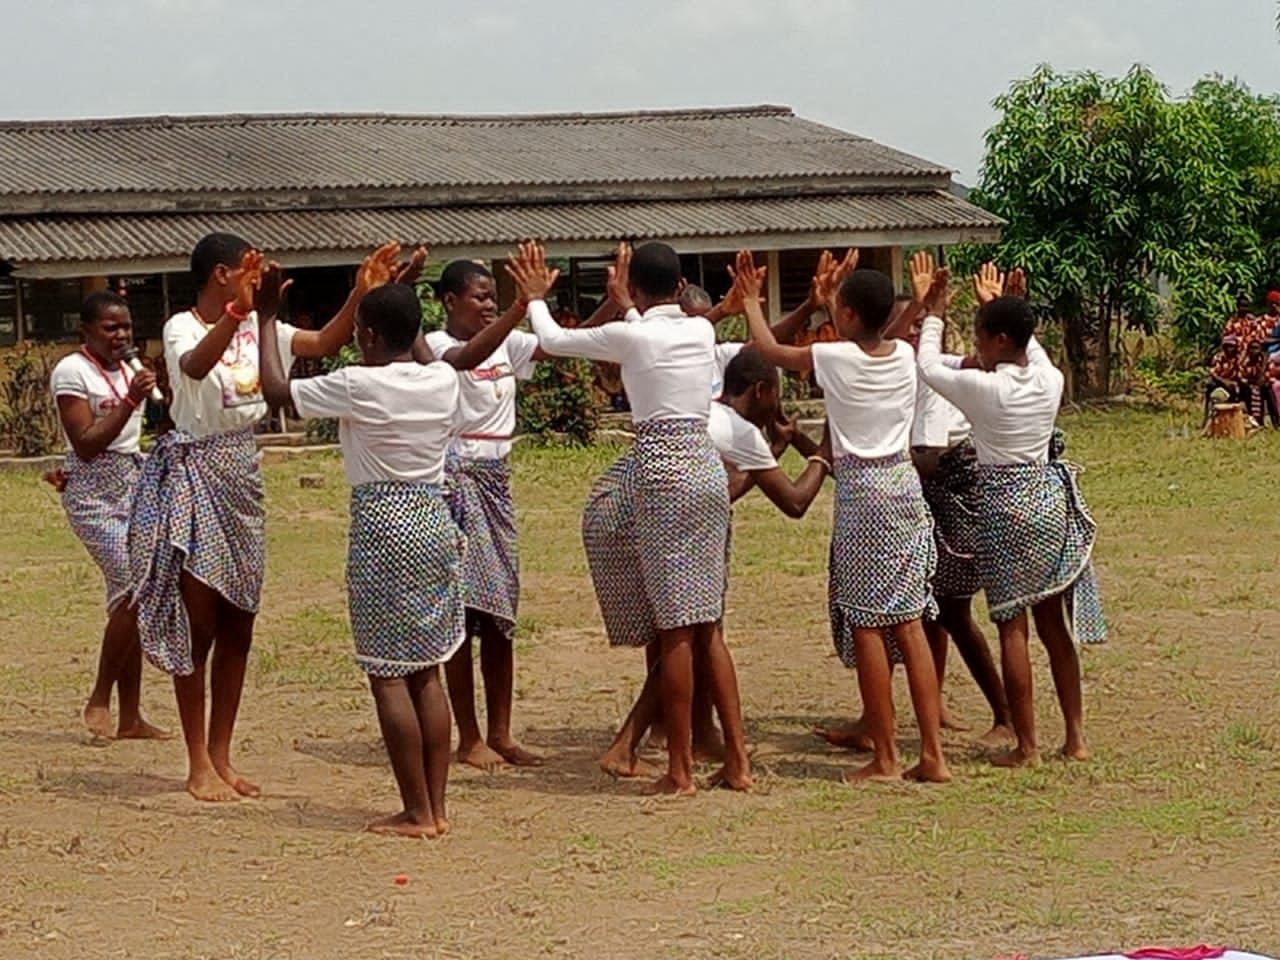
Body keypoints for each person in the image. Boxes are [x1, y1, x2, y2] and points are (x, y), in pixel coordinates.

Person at [128, 234, 404, 802]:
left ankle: (223, 755)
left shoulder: (262, 326)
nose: (259, 278)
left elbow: (324, 343)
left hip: (243, 476)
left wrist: (358, 294)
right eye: (248, 269)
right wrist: (238, 314)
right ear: (222, 274)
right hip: (195, 470)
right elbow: (196, 366)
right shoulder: (187, 324)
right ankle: (197, 760)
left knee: (239, 623)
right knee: (198, 621)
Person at [513, 239, 729, 797]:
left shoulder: (631, 334)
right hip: (706, 468)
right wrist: (630, 303)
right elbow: (655, 331)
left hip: (659, 472)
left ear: (632, 290)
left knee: (676, 629)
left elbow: (555, 342)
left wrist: (537, 297)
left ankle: (679, 770)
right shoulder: (701, 330)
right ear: (682, 288)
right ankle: (738, 761)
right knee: (707, 622)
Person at [259, 275, 463, 838]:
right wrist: (402, 298)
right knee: (427, 670)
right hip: (435, 518)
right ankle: (437, 808)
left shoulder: (357, 384)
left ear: (367, 336)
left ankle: (416, 810)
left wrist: (264, 317)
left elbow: (276, 392)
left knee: (387, 672)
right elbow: (418, 347)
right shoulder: (443, 379)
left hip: (383, 526)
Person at [736, 250, 950, 784]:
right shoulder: (903, 354)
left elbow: (767, 350)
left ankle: (884, 757)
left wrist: (751, 303)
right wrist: (919, 302)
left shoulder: (833, 358)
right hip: (904, 486)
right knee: (910, 623)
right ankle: (932, 754)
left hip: (863, 496)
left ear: (847, 316)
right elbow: (886, 329)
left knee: (868, 625)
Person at [595, 348, 833, 784]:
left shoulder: (703, 413)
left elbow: (710, 497)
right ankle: (658, 752)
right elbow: (796, 502)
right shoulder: (742, 432)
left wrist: (772, 453)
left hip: (622, 511)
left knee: (691, 630)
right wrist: (821, 453)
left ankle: (680, 742)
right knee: (689, 632)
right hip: (636, 518)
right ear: (760, 390)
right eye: (776, 396)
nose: (778, 407)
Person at [916, 264, 1106, 768]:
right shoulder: (1050, 378)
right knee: (1054, 627)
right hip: (1047, 500)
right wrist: (1004, 302)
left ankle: (1027, 746)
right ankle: (1076, 738)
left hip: (1001, 504)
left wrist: (932, 313)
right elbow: (1032, 347)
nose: (975, 347)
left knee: (1011, 626)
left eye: (980, 336)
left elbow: (929, 369)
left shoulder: (987, 390)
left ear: (1000, 340)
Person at [423, 254, 549, 770]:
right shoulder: (435, 344)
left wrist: (615, 296)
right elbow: (468, 357)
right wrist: (521, 306)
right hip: (457, 481)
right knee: (462, 610)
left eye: (492, 297)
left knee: (500, 615)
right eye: (479, 297)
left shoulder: (508, 342)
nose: (488, 304)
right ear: (450, 302)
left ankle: (501, 731)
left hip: (497, 483)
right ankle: (468, 735)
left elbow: (561, 340)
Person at [51, 292, 169, 742]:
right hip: (92, 492)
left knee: (128, 601)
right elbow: (85, 442)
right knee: (134, 588)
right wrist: (128, 401)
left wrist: (157, 397)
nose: (121, 336)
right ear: (86, 330)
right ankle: (99, 697)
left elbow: (153, 425)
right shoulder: (72, 371)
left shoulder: (130, 370)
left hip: (132, 484)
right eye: (110, 328)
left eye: (126, 328)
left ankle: (131, 716)